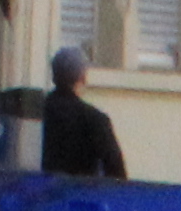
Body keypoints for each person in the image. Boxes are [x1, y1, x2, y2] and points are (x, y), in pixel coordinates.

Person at [39, 45, 128, 180]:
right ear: (83, 77)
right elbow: (116, 172)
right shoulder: (95, 119)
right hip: (80, 195)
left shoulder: (37, 113)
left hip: (39, 194)